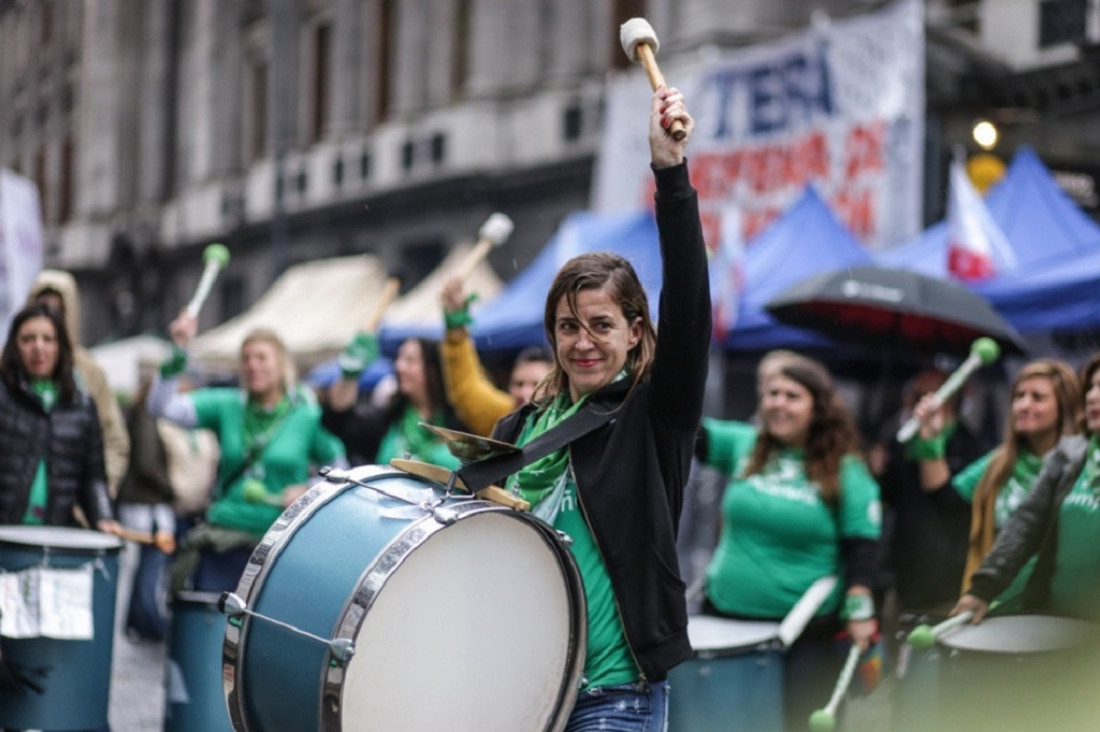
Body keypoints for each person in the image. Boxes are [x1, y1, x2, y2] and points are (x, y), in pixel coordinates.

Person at [478, 85, 707, 731]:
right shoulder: (520, 428)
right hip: (523, 693)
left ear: (636, 330)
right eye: (568, 326)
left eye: (601, 325)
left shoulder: (654, 413)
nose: (582, 342)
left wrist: (671, 175)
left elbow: (690, 304)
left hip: (614, 696)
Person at [698, 356, 882, 730]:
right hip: (728, 621)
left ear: (818, 407)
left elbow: (864, 546)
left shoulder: (846, 468)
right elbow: (682, 428)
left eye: (792, 395)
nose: (778, 403)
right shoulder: (743, 443)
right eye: (772, 393)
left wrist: (862, 612)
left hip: (805, 637)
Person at [149, 315, 346, 592]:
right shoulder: (227, 405)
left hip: (279, 547)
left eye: (262, 358)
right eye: (246, 358)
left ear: (281, 365)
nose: (253, 365)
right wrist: (177, 354)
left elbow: (340, 471)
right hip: (225, 543)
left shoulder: (305, 414)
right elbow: (163, 407)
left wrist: (308, 489)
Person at [911, 359, 1082, 610]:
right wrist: (931, 440)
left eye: (1038, 397)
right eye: (1019, 396)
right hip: (996, 601)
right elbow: (945, 499)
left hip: (1060, 605)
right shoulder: (1000, 462)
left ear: (1064, 407)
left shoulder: (1082, 465)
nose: (1024, 405)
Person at [955, 353, 1100, 623]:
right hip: (1053, 622)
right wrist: (983, 589)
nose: (1092, 396)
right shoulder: (1072, 457)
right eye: (1091, 387)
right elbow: (1026, 523)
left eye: (1037, 397)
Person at [878, 369, 992, 617]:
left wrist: (931, 445)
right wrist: (875, 470)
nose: (923, 403)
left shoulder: (975, 447)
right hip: (903, 576)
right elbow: (887, 497)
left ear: (954, 399)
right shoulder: (900, 442)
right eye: (917, 395)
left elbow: (950, 502)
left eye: (934, 395)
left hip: (950, 580)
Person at [0, 303, 120, 532]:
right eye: (28, 339)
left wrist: (103, 515)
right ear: (15, 345)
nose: (38, 347)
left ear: (60, 346)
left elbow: (93, 477)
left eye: (48, 339)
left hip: (55, 537)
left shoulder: (82, 406)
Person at [28, 270, 130, 497]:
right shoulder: (8, 366)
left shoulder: (89, 372)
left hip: (69, 508)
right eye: (42, 307)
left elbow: (113, 440)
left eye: (57, 311)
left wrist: (98, 496)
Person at [323, 335, 464, 469]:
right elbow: (339, 419)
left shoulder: (461, 420)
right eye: (399, 359)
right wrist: (349, 376)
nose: (399, 366)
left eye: (410, 360)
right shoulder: (387, 420)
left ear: (433, 369)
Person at [438, 274, 554, 436]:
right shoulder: (504, 416)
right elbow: (467, 389)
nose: (524, 393)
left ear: (556, 390)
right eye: (518, 384)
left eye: (535, 385)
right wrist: (456, 330)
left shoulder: (565, 422)